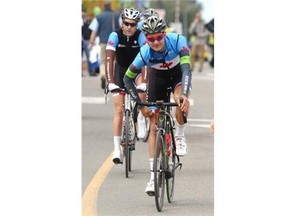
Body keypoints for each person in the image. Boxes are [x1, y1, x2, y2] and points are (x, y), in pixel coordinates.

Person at [123, 15, 192, 195]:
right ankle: (153, 178)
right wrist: (138, 102)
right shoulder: (145, 52)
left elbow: (186, 70)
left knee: (180, 100)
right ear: (146, 39)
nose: (155, 42)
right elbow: (127, 78)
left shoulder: (178, 41)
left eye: (158, 37)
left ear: (164, 34)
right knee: (154, 124)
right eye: (150, 39)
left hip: (178, 76)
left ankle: (179, 135)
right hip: (158, 78)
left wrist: (184, 94)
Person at [106, 8, 148, 164]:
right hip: (121, 70)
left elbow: (145, 59)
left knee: (142, 89)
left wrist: (144, 81)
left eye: (133, 24)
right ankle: (117, 149)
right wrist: (110, 82)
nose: (129, 27)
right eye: (126, 23)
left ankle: (141, 118)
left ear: (137, 25)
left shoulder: (141, 36)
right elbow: (109, 60)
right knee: (118, 109)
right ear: (121, 23)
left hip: (136, 71)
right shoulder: (115, 35)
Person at [89, 1, 121, 89]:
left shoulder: (99, 17)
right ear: (110, 6)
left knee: (103, 60)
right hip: (115, 42)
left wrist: (91, 41)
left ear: (103, 7)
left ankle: (103, 75)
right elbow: (123, 27)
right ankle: (110, 77)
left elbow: (94, 30)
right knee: (113, 60)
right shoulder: (117, 15)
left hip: (103, 42)